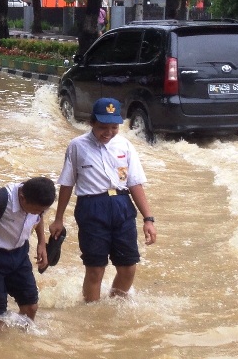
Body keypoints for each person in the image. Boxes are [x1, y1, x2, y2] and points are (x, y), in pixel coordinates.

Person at [49, 97, 157, 303]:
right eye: (102, 127)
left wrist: (148, 219)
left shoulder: (124, 145)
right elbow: (67, 183)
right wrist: (58, 219)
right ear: (91, 123)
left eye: (114, 127)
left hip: (122, 207)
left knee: (128, 268)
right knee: (95, 270)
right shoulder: (77, 146)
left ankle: (113, 308)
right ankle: (92, 315)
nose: (108, 133)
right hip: (91, 209)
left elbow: (135, 183)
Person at [0, 177, 56, 332]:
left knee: (31, 307)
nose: (40, 213)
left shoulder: (37, 203)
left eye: (43, 210)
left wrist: (42, 242)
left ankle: (21, 343)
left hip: (20, 255)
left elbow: (38, 216)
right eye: (36, 210)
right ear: (22, 198)